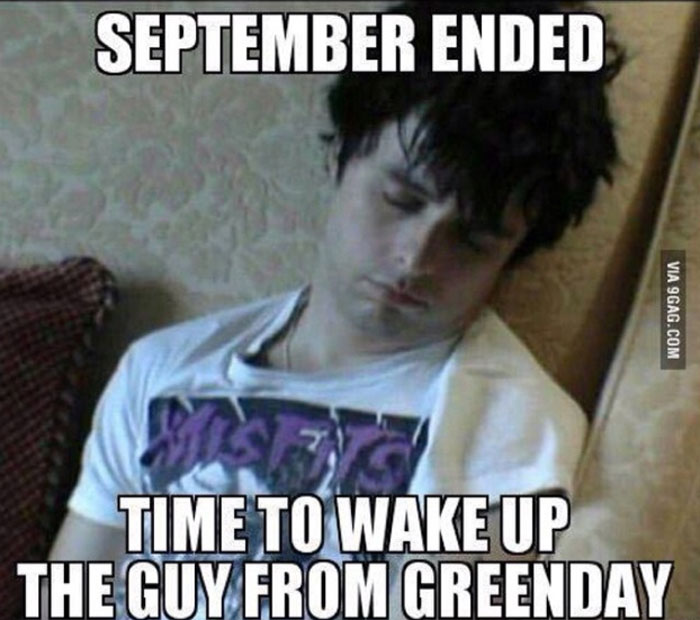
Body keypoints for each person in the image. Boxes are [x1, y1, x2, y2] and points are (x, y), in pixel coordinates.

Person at [45, 1, 625, 618]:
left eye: (472, 240)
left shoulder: (512, 426)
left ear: (512, 257)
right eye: (402, 200)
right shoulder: (162, 368)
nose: (415, 257)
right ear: (341, 155)